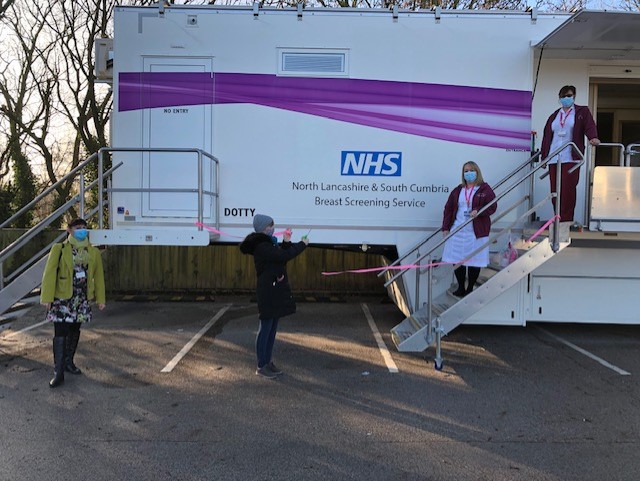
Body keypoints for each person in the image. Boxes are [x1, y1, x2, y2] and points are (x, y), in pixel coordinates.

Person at [239, 214, 308, 379]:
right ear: (264, 228)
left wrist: (286, 241)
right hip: (267, 292)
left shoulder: (268, 244)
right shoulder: (262, 246)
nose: (273, 228)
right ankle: (261, 365)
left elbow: (279, 260)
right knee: (265, 329)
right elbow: (283, 256)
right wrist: (302, 245)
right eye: (270, 226)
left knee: (272, 330)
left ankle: (268, 362)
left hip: (274, 290)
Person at [40, 218, 106, 388]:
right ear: (69, 230)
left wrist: (100, 299)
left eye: (84, 228)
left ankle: (69, 362)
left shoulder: (93, 252)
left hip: (81, 299)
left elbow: (98, 277)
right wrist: (47, 298)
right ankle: (58, 371)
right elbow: (49, 274)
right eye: (78, 228)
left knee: (75, 330)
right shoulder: (60, 249)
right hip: (62, 298)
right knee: (60, 332)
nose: (82, 230)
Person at [540, 85, 600, 224]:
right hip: (554, 157)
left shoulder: (581, 111)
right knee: (555, 191)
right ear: (560, 98)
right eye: (564, 96)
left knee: (567, 190)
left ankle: (566, 220)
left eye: (570, 95)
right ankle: (558, 217)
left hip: (571, 156)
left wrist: (593, 137)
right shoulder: (554, 115)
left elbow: (589, 125)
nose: (567, 98)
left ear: (574, 96)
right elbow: (546, 137)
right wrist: (544, 158)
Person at [441, 162, 497, 297]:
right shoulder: (458, 190)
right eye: (466, 171)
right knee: (457, 260)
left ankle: (470, 287)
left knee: (474, 260)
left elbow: (492, 206)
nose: (469, 173)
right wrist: (445, 227)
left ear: (477, 172)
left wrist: (479, 211)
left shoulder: (484, 189)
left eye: (472, 170)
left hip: (476, 232)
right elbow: (448, 209)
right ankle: (461, 287)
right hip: (458, 230)